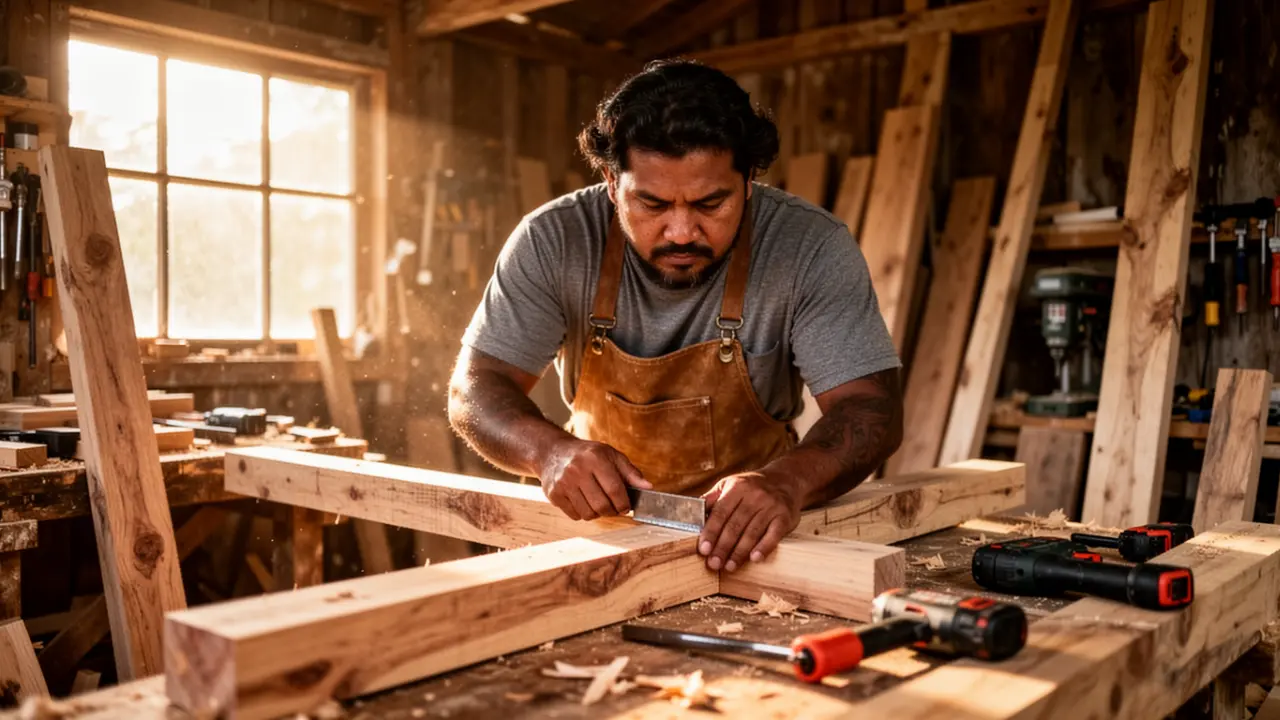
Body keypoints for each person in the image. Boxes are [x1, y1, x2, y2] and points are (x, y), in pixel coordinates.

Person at [448, 59, 903, 572]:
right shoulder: (553, 240)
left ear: (749, 180)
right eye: (652, 203)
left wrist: (785, 482)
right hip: (595, 537)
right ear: (609, 180)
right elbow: (475, 388)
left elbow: (870, 410)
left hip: (752, 544)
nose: (682, 231)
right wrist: (548, 451)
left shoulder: (809, 248)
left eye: (711, 203)